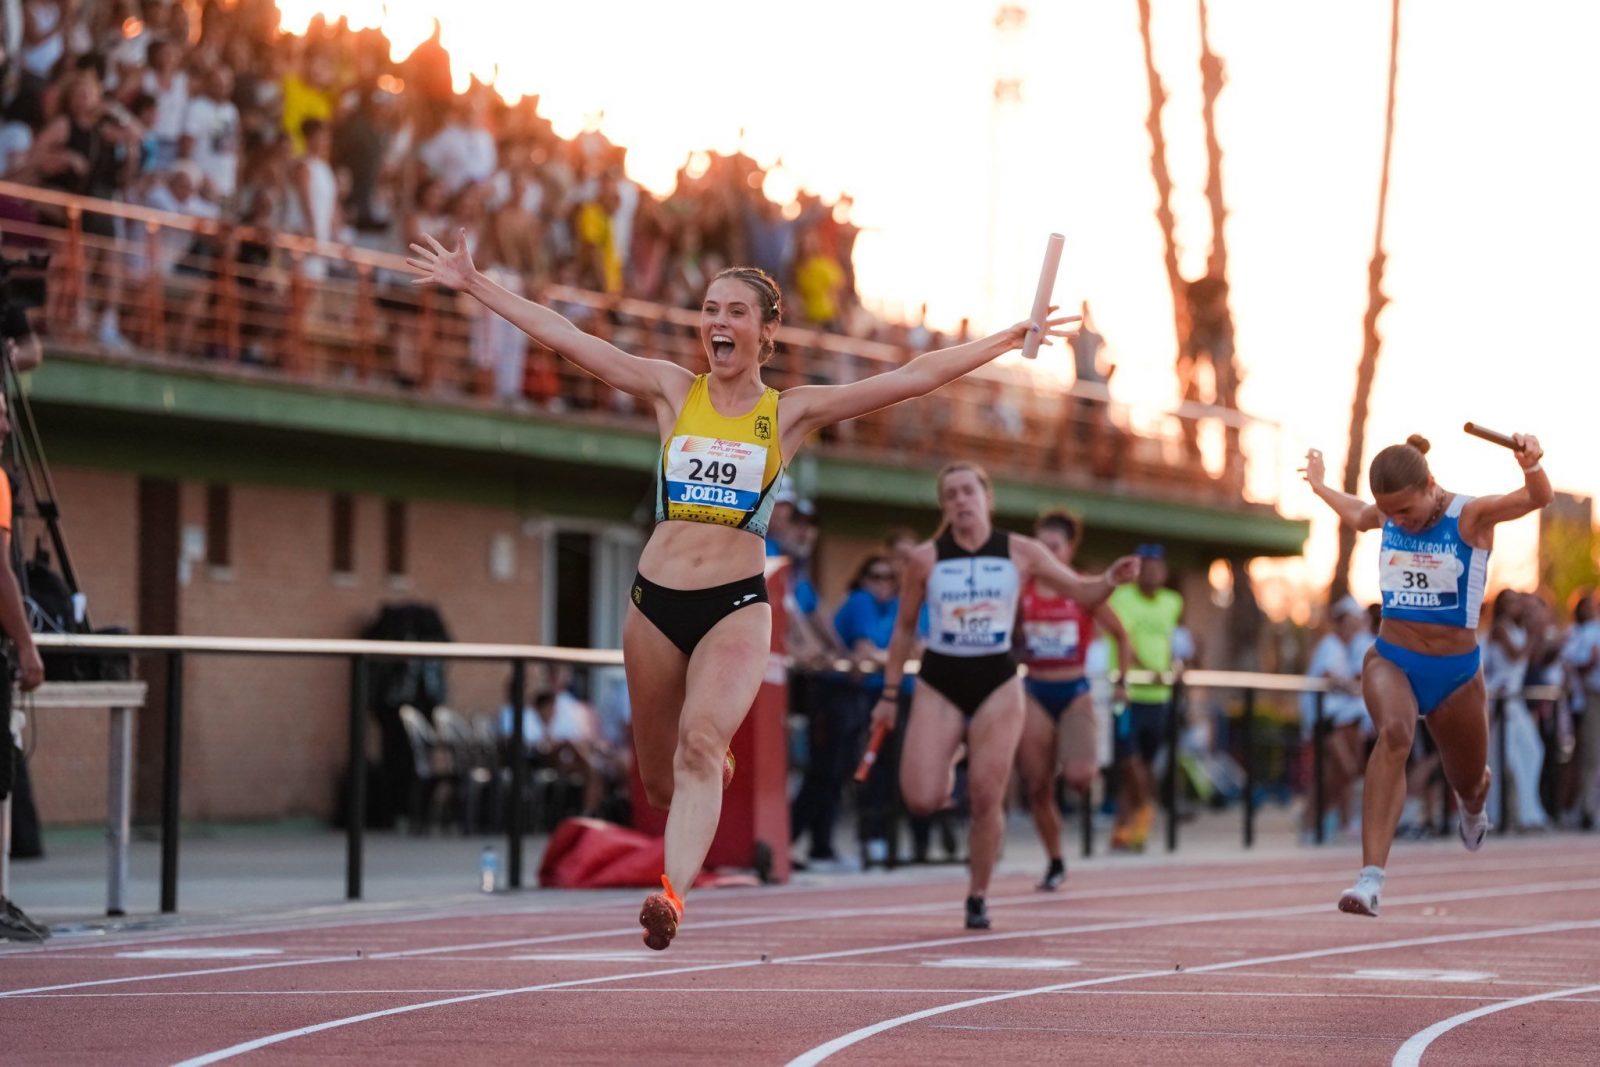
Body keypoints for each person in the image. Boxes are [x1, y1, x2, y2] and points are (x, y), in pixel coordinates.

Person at [406, 231, 1079, 950]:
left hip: (734, 607)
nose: (718, 323)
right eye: (709, 310)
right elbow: (570, 338)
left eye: (734, 312)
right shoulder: (672, 389)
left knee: (700, 743)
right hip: (654, 606)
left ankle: (671, 895)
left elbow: (911, 376)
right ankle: (704, 768)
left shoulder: (788, 413)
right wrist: (475, 285)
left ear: (767, 331)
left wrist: (1007, 338)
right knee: (664, 780)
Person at [871, 463, 1138, 930]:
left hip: (997, 679)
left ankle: (977, 895)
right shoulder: (925, 559)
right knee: (920, 798)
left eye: (968, 491)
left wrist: (1112, 578)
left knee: (985, 797)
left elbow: (1083, 592)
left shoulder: (1022, 552)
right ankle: (950, 748)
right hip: (940, 677)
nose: (960, 500)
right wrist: (890, 693)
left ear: (987, 497)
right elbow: (904, 630)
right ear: (944, 505)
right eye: (950, 494)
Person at [1301, 432, 1551, 916]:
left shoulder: (1471, 516)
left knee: (1468, 779)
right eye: (1389, 514)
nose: (1396, 522)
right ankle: (1370, 879)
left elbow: (1536, 498)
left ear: (1430, 486)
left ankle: (1475, 801)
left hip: (1455, 673)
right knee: (1393, 735)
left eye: (1405, 512)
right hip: (1393, 658)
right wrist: (1318, 485)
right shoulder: (1387, 515)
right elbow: (1357, 513)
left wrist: (1531, 464)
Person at [1015, 509, 1130, 890]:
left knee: (1080, 777)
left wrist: (1121, 682)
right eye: (1040, 546)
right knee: (1037, 786)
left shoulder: (1083, 588)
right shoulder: (1022, 589)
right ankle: (1055, 859)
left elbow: (1121, 634)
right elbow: (1009, 636)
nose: (1045, 554)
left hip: (1074, 690)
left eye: (1053, 547)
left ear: (1068, 550)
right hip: (1034, 689)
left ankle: (1073, 758)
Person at [1105, 543, 1185, 851]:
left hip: (1159, 695)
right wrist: (1148, 668)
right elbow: (1124, 640)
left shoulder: (1172, 602)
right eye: (1146, 567)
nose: (1153, 572)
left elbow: (1172, 642)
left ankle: (1124, 829)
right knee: (1128, 760)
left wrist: (1174, 666)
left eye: (1158, 567)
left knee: (1146, 763)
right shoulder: (1121, 598)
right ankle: (1146, 808)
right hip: (1128, 692)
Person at [1301, 595, 1373, 841]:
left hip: (1337, 718)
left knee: (1337, 772)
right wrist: (1354, 688)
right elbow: (1331, 677)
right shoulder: (1331, 646)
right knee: (1341, 769)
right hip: (1326, 720)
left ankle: (1316, 820)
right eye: (1350, 623)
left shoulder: (1343, 648)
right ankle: (1311, 821)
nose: (1354, 628)